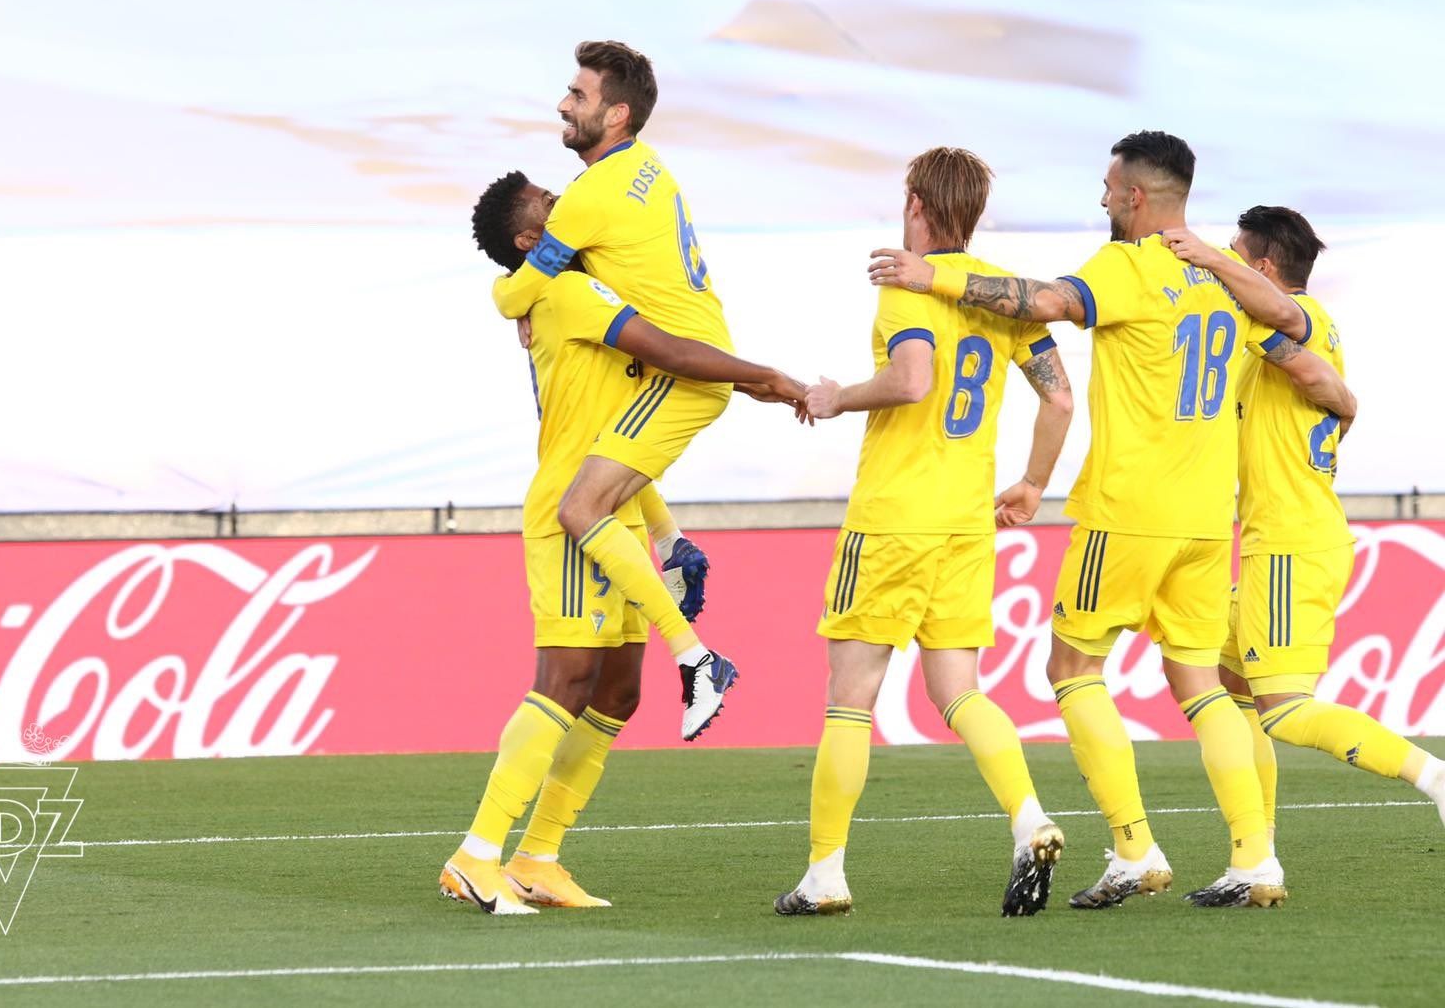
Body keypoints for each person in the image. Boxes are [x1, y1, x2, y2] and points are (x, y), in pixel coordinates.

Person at [866, 131, 1354, 908]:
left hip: (1127, 511)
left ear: (1135, 194)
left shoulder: (1127, 265)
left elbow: (1047, 303)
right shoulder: (1225, 278)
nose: (1101, 198)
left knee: (1072, 670)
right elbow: (1300, 344)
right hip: (1206, 521)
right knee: (1202, 686)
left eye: (1107, 185)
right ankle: (1255, 858)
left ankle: (1133, 848)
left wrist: (938, 277)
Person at [440, 171, 805, 915]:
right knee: (565, 681)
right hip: (571, 514)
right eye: (550, 206)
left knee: (617, 691)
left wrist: (666, 532)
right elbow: (669, 351)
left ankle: (538, 857)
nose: (567, 207)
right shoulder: (568, 294)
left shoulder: (567, 291)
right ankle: (476, 855)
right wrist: (764, 377)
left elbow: (620, 435)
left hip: (614, 507)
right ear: (530, 240)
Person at [773, 148, 1074, 918]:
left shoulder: (907, 286)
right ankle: (1029, 819)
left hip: (893, 519)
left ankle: (825, 874)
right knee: (960, 691)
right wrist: (1033, 483)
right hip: (965, 523)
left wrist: (837, 398)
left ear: (914, 202)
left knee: (851, 697)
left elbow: (912, 380)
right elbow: (1060, 400)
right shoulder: (1000, 295)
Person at [490, 41, 745, 740]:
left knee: (582, 507)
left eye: (578, 94)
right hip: (692, 354)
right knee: (612, 452)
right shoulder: (648, 168)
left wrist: (508, 296)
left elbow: (519, 290)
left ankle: (696, 656)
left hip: (684, 364)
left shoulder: (586, 204)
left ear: (617, 114)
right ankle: (675, 551)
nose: (564, 104)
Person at [1172, 207, 1445, 836]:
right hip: (1278, 538)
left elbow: (1291, 329)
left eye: (1236, 253)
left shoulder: (1301, 316)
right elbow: (1327, 393)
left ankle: (1433, 776)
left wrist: (1204, 256)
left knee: (1285, 710)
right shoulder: (1270, 345)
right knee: (1227, 683)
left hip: (1290, 543)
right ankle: (1256, 852)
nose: (1225, 260)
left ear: (1265, 268)